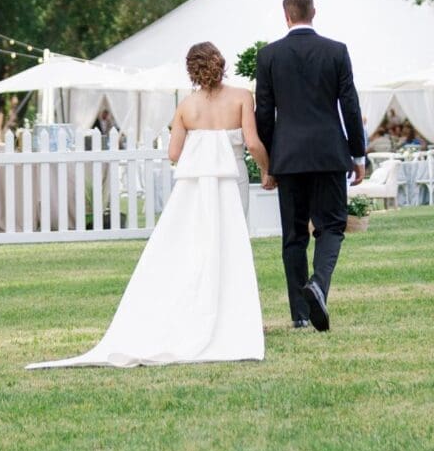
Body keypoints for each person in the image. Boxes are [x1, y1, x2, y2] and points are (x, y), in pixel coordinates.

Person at [28, 42, 267, 369]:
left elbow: (173, 154)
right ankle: (230, 316)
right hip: (232, 179)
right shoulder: (242, 97)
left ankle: (198, 310)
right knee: (231, 245)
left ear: (192, 71)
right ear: (220, 63)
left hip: (198, 188)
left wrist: (202, 148)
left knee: (199, 247)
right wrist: (267, 170)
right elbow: (252, 143)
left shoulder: (185, 108)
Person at [251, 0, 367, 333]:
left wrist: (268, 164)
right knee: (332, 227)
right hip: (330, 153)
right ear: (313, 13)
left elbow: (264, 114)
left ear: (286, 15)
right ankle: (318, 283)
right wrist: (358, 154)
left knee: (294, 235)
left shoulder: (268, 56)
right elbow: (350, 105)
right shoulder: (336, 51)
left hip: (288, 157)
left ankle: (300, 314)